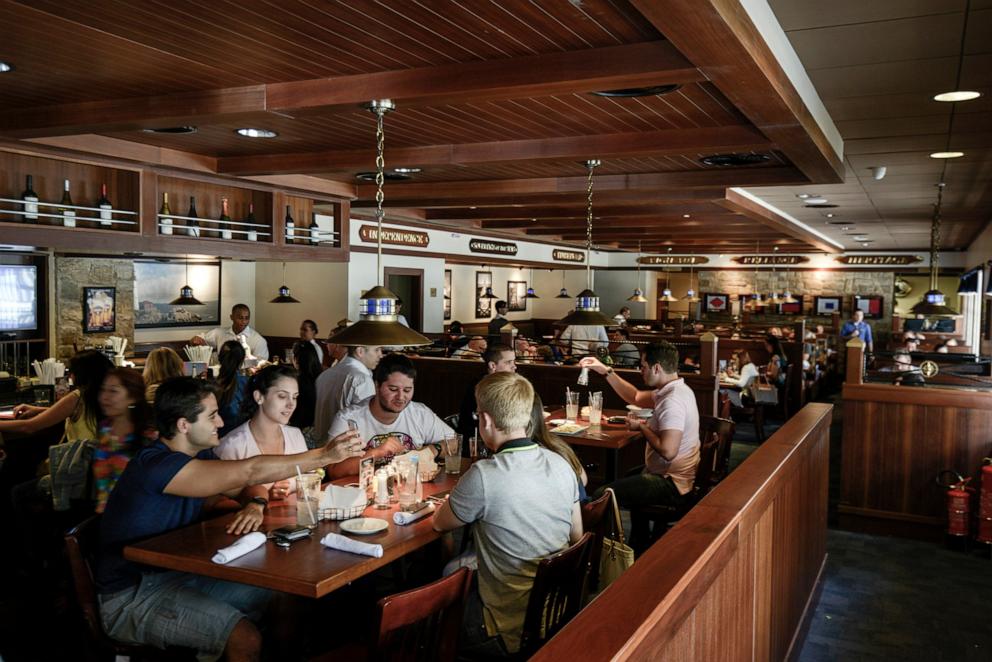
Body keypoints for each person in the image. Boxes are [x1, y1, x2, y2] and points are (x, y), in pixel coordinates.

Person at [94, 377, 364, 659]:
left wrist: (255, 503)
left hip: (182, 574)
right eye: (212, 416)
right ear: (183, 425)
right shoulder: (157, 466)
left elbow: (249, 485)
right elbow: (249, 471)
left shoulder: (202, 455)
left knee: (283, 596)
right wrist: (324, 455)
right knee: (244, 639)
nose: (221, 423)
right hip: (132, 595)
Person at [433, 372, 582, 656]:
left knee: (434, 612)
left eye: (478, 415)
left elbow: (439, 523)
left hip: (505, 624)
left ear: (486, 420)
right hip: (556, 607)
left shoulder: (484, 475)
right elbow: (576, 534)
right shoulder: (561, 463)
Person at [579, 341, 700, 546]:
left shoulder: (673, 401)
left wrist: (642, 427)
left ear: (657, 368)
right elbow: (634, 396)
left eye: (643, 366)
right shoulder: (675, 389)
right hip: (674, 475)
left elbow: (668, 452)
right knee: (629, 478)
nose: (641, 371)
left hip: (672, 484)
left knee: (603, 495)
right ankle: (638, 542)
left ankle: (609, 552)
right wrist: (605, 371)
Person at [326, 354, 453, 478]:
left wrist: (432, 450)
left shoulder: (420, 414)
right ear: (376, 386)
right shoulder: (349, 419)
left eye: (407, 390)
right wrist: (376, 453)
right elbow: (334, 470)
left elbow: (455, 443)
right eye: (393, 389)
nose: (401, 397)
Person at [217, 364, 310, 534]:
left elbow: (308, 479)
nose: (291, 404)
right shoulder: (232, 445)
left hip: (292, 525)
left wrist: (289, 488)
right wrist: (260, 499)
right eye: (282, 396)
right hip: (245, 531)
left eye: (295, 397)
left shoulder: (295, 435)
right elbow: (216, 501)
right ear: (259, 397)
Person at [2, 349, 113, 440]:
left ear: (81, 374)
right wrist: (37, 410)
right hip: (99, 461)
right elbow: (73, 413)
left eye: (71, 372)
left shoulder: (78, 397)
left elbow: (28, 426)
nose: (70, 377)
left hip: (78, 463)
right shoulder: (106, 395)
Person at [92, 368, 158, 513]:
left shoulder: (148, 435)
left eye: (113, 391)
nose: (104, 397)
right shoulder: (104, 430)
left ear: (133, 397)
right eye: (103, 390)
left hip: (136, 517)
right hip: (103, 515)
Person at [313, 344, 383, 444]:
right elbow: (367, 421)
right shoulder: (361, 379)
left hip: (322, 445)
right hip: (346, 447)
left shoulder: (325, 374)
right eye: (377, 350)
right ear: (360, 351)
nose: (381, 355)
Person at [528, 394, 587, 501]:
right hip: (581, 507)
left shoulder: (530, 454)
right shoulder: (557, 443)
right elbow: (584, 479)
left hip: (572, 510)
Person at [458, 344, 516, 442]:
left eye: (514, 361)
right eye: (508, 362)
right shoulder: (483, 387)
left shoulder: (501, 383)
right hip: (477, 443)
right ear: (493, 366)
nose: (514, 366)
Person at [190, 303, 269, 362]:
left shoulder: (258, 340)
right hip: (221, 375)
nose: (244, 321)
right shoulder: (219, 333)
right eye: (240, 318)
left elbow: (262, 363)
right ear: (231, 317)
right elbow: (198, 339)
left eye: (247, 318)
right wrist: (195, 339)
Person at [215, 340, 249, 438]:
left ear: (219, 358)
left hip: (218, 437)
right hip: (243, 436)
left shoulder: (211, 386)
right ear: (242, 361)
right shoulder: (248, 383)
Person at [289, 340, 320, 437]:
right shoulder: (323, 376)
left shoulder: (297, 382)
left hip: (301, 429)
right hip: (320, 426)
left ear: (296, 359)